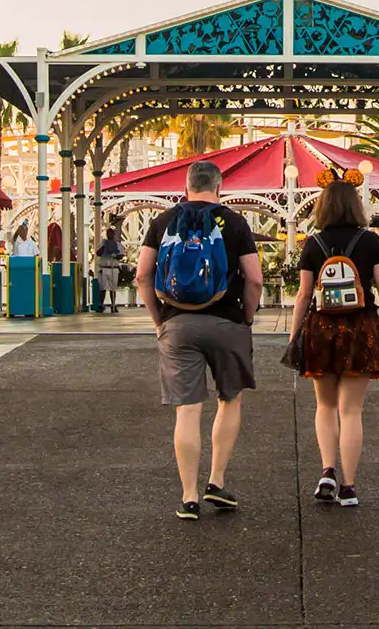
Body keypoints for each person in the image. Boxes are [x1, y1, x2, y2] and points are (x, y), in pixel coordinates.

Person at [137, 161, 263, 521]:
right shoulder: (235, 222)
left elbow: (143, 274)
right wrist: (247, 318)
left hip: (178, 324)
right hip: (227, 323)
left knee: (188, 410)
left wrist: (159, 319)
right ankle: (216, 482)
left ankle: (188, 497)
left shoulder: (164, 222)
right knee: (229, 399)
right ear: (219, 187)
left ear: (187, 186)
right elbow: (254, 279)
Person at [289, 181, 379, 507]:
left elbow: (304, 294)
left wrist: (295, 336)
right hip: (361, 328)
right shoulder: (370, 241)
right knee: (351, 410)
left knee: (325, 406)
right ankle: (349, 486)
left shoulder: (314, 243)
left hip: (322, 328)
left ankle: (327, 469)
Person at [94, 225, 124, 314]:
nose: (109, 235)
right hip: (104, 268)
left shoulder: (118, 245)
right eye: (108, 233)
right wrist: (104, 247)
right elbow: (98, 253)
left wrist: (116, 255)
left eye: (111, 233)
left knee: (112, 288)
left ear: (114, 234)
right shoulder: (103, 243)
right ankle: (101, 305)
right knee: (102, 287)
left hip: (113, 268)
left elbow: (121, 255)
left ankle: (113, 305)